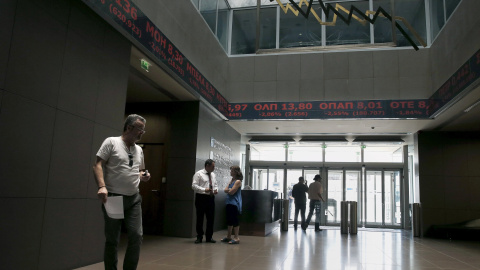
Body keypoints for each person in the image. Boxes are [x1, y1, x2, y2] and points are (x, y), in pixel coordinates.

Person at [93, 114, 151, 270]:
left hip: (134, 198)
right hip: (113, 197)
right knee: (113, 240)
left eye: (143, 130)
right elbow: (98, 165)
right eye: (140, 129)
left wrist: (143, 176)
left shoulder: (139, 149)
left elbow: (139, 171)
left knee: (136, 236)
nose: (142, 133)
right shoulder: (111, 142)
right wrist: (101, 186)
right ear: (129, 127)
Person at [192, 159, 218, 243]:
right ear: (207, 165)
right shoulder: (198, 174)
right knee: (200, 218)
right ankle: (199, 236)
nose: (214, 168)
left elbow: (215, 184)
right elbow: (194, 186)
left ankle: (209, 237)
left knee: (211, 218)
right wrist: (204, 189)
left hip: (211, 198)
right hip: (201, 197)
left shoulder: (213, 175)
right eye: (213, 166)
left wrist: (216, 189)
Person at [221, 165, 243, 244]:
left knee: (235, 220)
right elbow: (225, 190)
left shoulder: (238, 181)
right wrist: (229, 190)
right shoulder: (231, 180)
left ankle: (236, 237)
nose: (230, 172)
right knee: (229, 220)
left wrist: (229, 190)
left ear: (236, 172)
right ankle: (228, 236)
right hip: (229, 202)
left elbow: (231, 192)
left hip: (234, 203)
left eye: (232, 171)